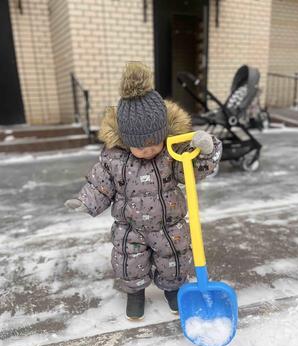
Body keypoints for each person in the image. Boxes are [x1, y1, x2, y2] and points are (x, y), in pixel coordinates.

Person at [65, 62, 222, 321]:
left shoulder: (172, 152)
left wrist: (205, 150)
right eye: (140, 145)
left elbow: (191, 169)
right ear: (126, 140)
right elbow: (100, 183)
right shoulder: (114, 159)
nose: (149, 149)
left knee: (174, 259)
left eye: (154, 142)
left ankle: (173, 291)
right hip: (130, 227)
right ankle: (135, 295)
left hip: (169, 224)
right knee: (129, 263)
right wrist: (85, 200)